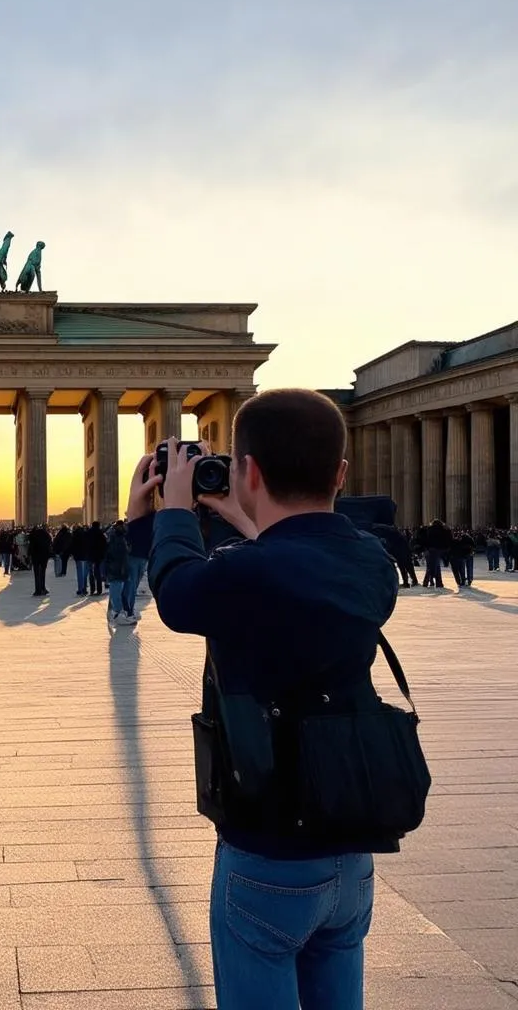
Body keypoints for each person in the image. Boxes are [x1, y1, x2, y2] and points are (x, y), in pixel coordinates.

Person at [126, 390, 399, 1010]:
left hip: (269, 856)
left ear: (247, 471)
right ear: (341, 473)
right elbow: (289, 563)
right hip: (350, 849)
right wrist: (241, 514)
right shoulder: (371, 561)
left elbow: (179, 593)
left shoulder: (243, 580)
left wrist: (173, 507)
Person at [104, 520, 134, 626]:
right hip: (118, 570)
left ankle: (120, 613)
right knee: (116, 592)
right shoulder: (118, 540)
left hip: (116, 570)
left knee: (116, 592)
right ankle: (119, 613)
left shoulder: (115, 539)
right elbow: (119, 556)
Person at [28, 523, 52, 597]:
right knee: (42, 573)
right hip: (44, 556)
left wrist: (30, 555)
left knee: (36, 574)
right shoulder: (46, 535)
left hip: (35, 556)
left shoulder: (33, 535)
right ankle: (43, 588)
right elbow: (49, 544)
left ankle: (37, 590)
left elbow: (30, 545)